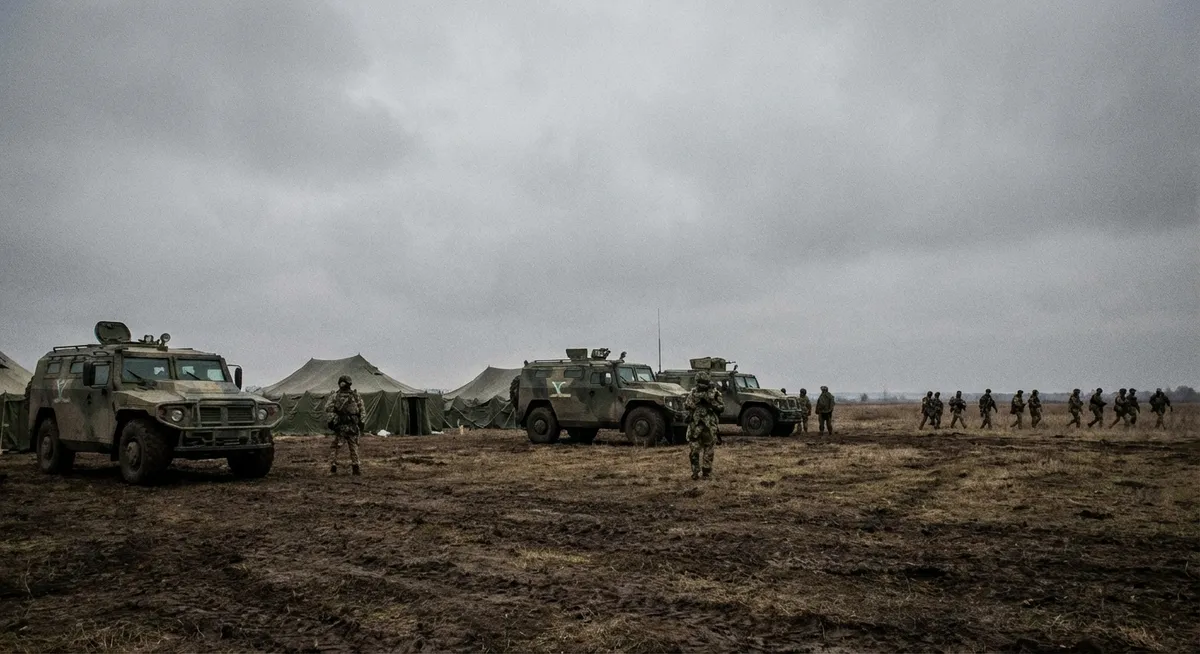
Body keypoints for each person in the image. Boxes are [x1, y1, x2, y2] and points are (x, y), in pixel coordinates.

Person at [684, 371, 724, 480]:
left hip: (709, 426)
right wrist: (696, 403)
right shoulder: (693, 393)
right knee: (694, 451)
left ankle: (706, 472)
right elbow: (686, 405)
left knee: (709, 450)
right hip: (695, 427)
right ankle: (695, 472)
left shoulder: (714, 393)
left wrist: (711, 404)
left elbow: (721, 407)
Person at [326, 375, 366, 475]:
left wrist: (331, 421)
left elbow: (328, 409)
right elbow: (362, 410)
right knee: (354, 447)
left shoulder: (335, 396)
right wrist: (362, 422)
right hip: (352, 426)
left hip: (341, 427)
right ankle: (356, 468)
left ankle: (333, 467)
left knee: (335, 447)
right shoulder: (356, 395)